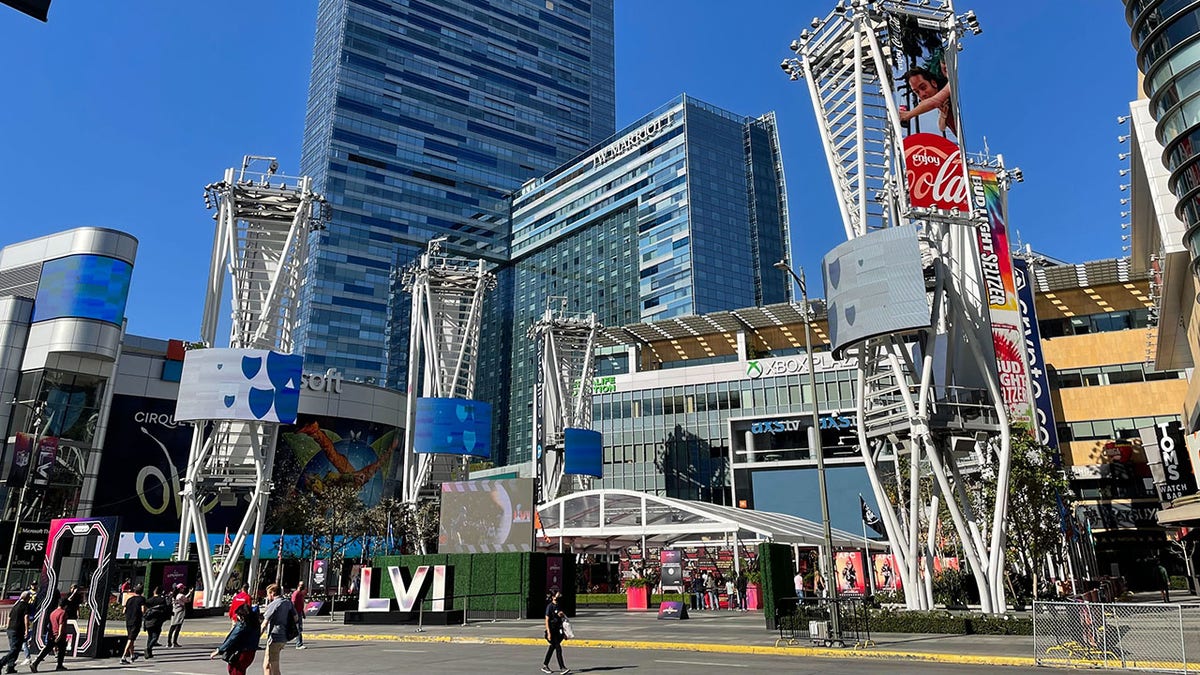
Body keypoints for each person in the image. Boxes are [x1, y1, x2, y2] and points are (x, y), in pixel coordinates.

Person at [898, 65, 956, 137]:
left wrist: (909, 114)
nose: (922, 94)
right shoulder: (942, 105)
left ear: (933, 83)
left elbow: (933, 102)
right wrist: (943, 115)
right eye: (917, 92)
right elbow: (942, 127)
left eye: (923, 87)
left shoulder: (952, 86)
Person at [211, 603, 260, 675]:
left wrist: (219, 650)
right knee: (241, 670)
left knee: (235, 670)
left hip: (240, 653)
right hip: (251, 652)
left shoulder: (242, 625)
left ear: (242, 616)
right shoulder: (255, 623)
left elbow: (231, 639)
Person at [260, 584, 298, 675]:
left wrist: (256, 637)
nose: (267, 596)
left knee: (274, 666)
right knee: (266, 665)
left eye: (268, 594)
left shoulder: (274, 604)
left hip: (275, 637)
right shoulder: (287, 602)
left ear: (272, 593)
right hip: (284, 636)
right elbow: (296, 618)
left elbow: (264, 623)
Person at [29, 599, 67, 672]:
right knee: (61, 650)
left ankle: (36, 662)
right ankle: (59, 665)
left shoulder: (53, 612)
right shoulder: (63, 612)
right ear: (65, 606)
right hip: (59, 634)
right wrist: (59, 634)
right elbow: (61, 624)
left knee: (47, 649)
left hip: (51, 634)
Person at [0, 590, 32, 674]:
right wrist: (26, 629)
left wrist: (8, 626)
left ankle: (10, 667)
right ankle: (2, 662)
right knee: (15, 649)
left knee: (15, 649)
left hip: (11, 629)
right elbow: (26, 617)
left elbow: (9, 617)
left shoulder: (16, 605)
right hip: (18, 629)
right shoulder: (26, 606)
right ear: (27, 598)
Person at [540, 591, 570, 674]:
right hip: (551, 631)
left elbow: (561, 620)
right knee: (558, 648)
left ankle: (545, 665)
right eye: (557, 594)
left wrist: (564, 633)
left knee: (552, 647)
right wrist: (548, 633)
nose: (559, 595)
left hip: (558, 631)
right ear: (553, 597)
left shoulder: (559, 605)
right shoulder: (549, 606)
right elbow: (546, 620)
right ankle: (562, 667)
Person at [120, 584, 146, 665]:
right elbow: (143, 610)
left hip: (128, 620)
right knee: (131, 639)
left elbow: (124, 611)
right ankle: (123, 656)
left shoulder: (129, 599)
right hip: (136, 621)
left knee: (131, 638)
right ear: (142, 592)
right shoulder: (142, 599)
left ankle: (132, 655)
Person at [142, 587, 169, 659]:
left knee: (150, 636)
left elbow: (144, 608)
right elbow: (165, 609)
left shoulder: (149, 600)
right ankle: (148, 649)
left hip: (148, 620)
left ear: (154, 592)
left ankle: (149, 653)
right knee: (155, 637)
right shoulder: (162, 600)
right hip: (157, 621)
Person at [167, 584, 191, 648]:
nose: (183, 589)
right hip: (180, 612)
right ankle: (174, 642)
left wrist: (188, 593)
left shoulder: (173, 595)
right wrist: (190, 594)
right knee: (178, 627)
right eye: (182, 588)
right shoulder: (181, 595)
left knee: (172, 627)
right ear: (180, 589)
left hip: (174, 611)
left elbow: (183, 598)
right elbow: (187, 600)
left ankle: (169, 642)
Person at [289, 582, 307, 650]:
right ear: (298, 586)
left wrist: (303, 613)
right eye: (301, 585)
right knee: (298, 628)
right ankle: (299, 644)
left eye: (303, 585)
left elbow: (301, 605)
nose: (302, 586)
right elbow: (293, 604)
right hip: (296, 613)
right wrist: (294, 614)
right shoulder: (296, 593)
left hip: (299, 613)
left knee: (299, 628)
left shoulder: (301, 594)